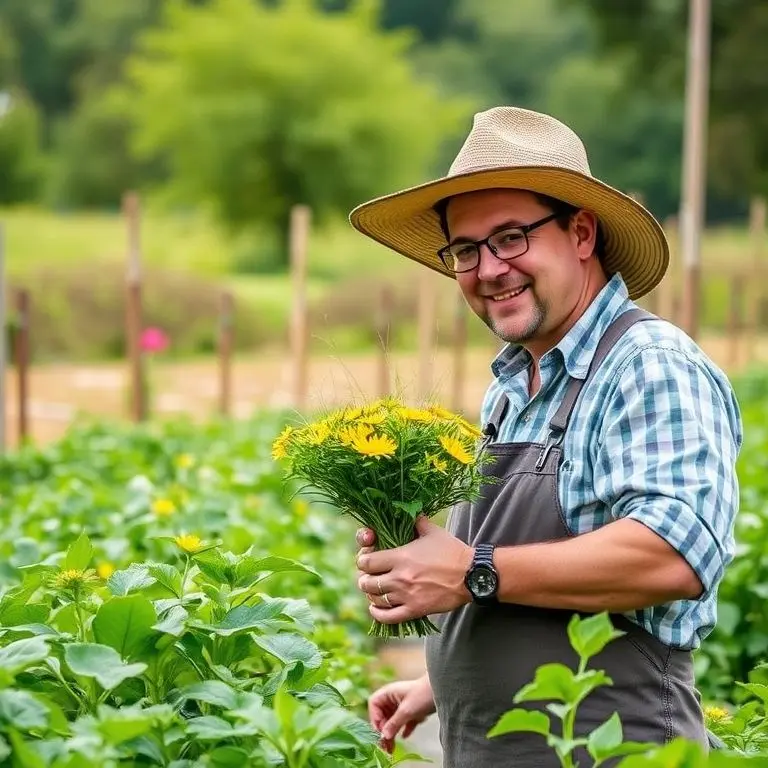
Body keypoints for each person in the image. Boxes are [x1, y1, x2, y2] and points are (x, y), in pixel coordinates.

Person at [346, 106, 743, 767]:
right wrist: (437, 683)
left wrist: (468, 571)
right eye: (466, 250)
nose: (488, 269)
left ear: (581, 233)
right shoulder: (512, 386)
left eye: (509, 237)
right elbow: (532, 584)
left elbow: (674, 555)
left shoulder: (647, 364)